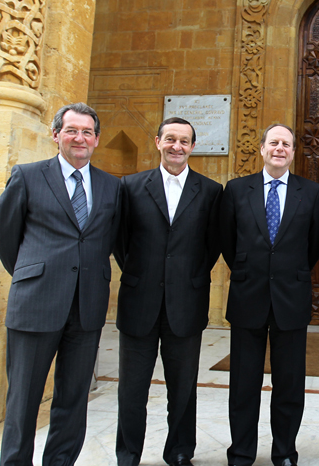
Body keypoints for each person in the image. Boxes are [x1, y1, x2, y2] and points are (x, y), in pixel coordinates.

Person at [0, 103, 121, 466]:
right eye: (71, 130)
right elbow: (6, 239)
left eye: (86, 132)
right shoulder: (28, 176)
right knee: (23, 400)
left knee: (73, 399)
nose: (79, 138)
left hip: (87, 307)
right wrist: (31, 275)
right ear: (56, 135)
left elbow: (113, 240)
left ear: (96, 139)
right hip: (35, 304)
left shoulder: (112, 187)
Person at [113, 117, 223, 466]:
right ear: (158, 141)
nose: (177, 146)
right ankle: (128, 454)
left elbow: (213, 244)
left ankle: (179, 452)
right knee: (132, 389)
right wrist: (142, 272)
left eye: (185, 141)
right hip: (138, 301)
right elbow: (120, 240)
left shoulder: (210, 191)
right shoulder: (129, 187)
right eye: (170, 139)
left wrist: (186, 276)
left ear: (193, 146)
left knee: (183, 389)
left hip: (186, 304)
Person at [220, 124, 319, 466]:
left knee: (290, 385)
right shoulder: (236, 189)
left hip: (291, 300)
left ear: (293, 152)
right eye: (274, 143)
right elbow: (227, 240)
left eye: (287, 144)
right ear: (262, 148)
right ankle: (241, 452)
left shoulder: (310, 192)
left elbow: (313, 246)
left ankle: (284, 452)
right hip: (248, 296)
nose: (280, 148)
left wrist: (287, 271)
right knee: (243, 384)